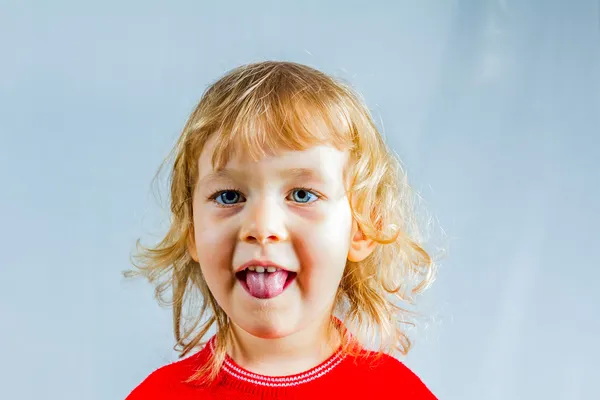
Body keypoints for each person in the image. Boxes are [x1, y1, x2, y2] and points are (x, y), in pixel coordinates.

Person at [126, 61, 437, 399]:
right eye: (229, 196)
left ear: (361, 229)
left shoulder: (397, 392)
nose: (261, 228)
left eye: (302, 195)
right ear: (192, 231)